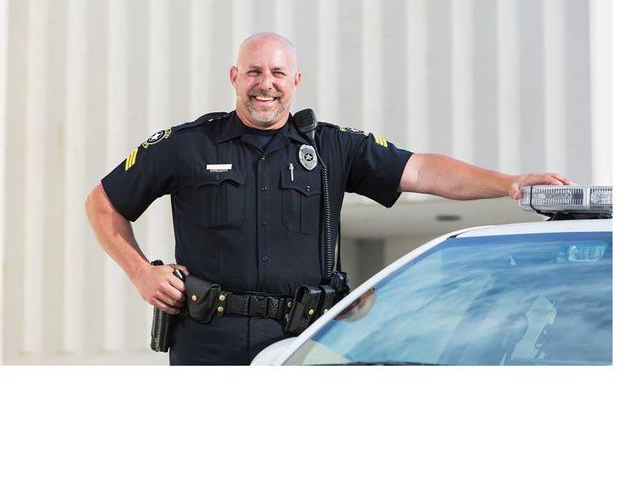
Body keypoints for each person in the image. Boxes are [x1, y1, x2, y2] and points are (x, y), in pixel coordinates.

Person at [85, 32, 571, 365]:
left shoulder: (332, 146)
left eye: (278, 72)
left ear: (295, 82)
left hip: (304, 342)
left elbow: (420, 169)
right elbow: (103, 202)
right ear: (234, 77)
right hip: (208, 341)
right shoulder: (186, 145)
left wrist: (508, 183)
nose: (266, 84)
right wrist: (140, 271)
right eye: (254, 71)